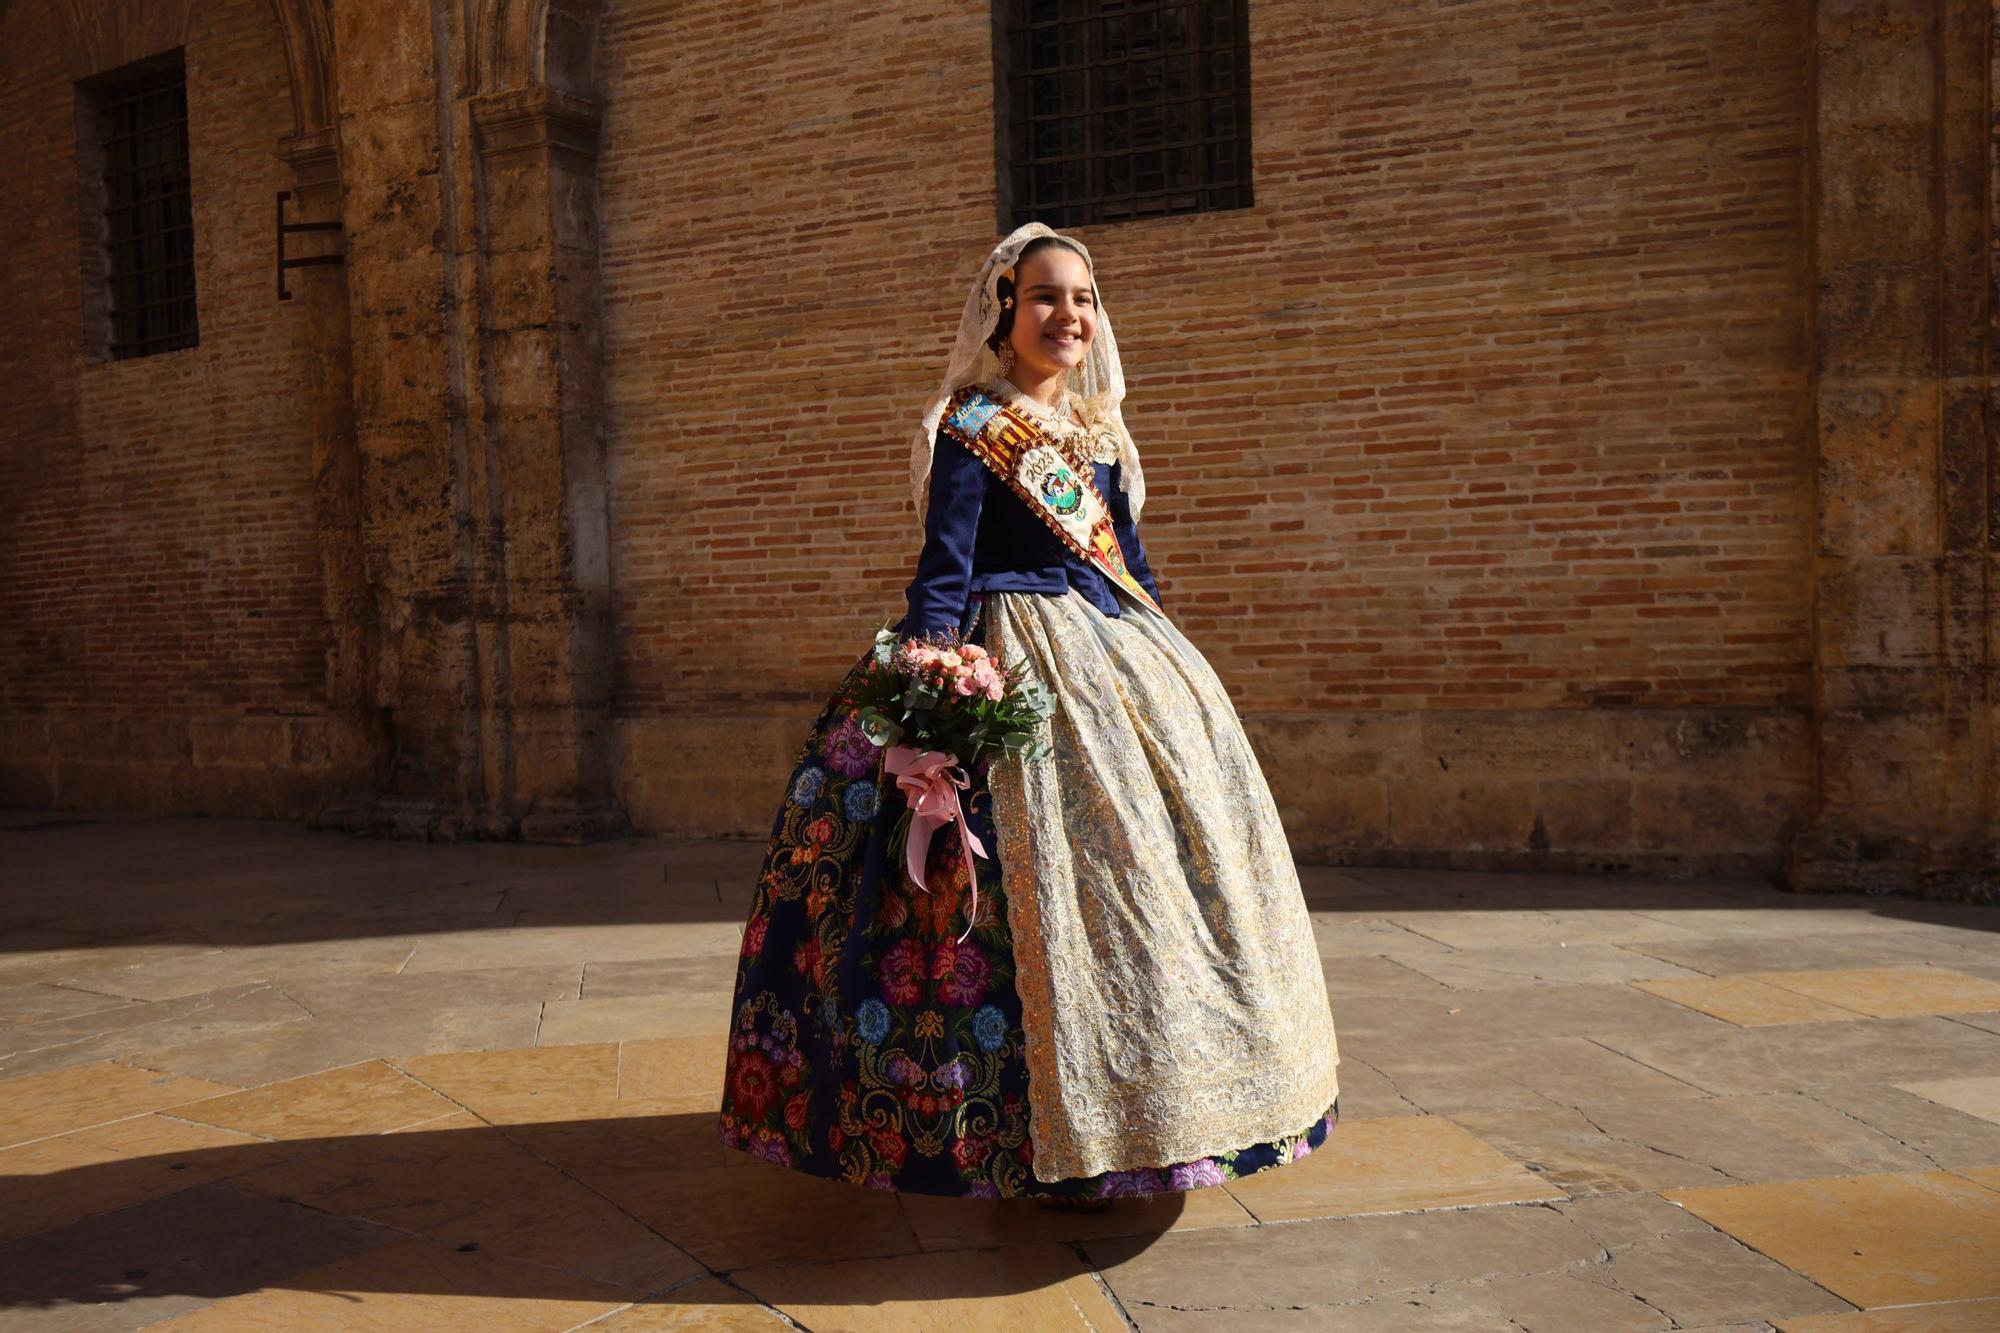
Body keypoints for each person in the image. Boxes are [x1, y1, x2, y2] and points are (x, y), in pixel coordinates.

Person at [718, 222, 1341, 1204]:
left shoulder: (1094, 434)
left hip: (1115, 663)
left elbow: (1127, 572)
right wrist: (927, 694)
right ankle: (975, 1127)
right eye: (1047, 296)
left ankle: (1163, 1107)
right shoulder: (971, 423)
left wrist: (1169, 674)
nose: (1070, 316)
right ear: (1004, 311)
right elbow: (944, 568)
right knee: (968, 905)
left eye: (1084, 298)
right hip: (1004, 653)